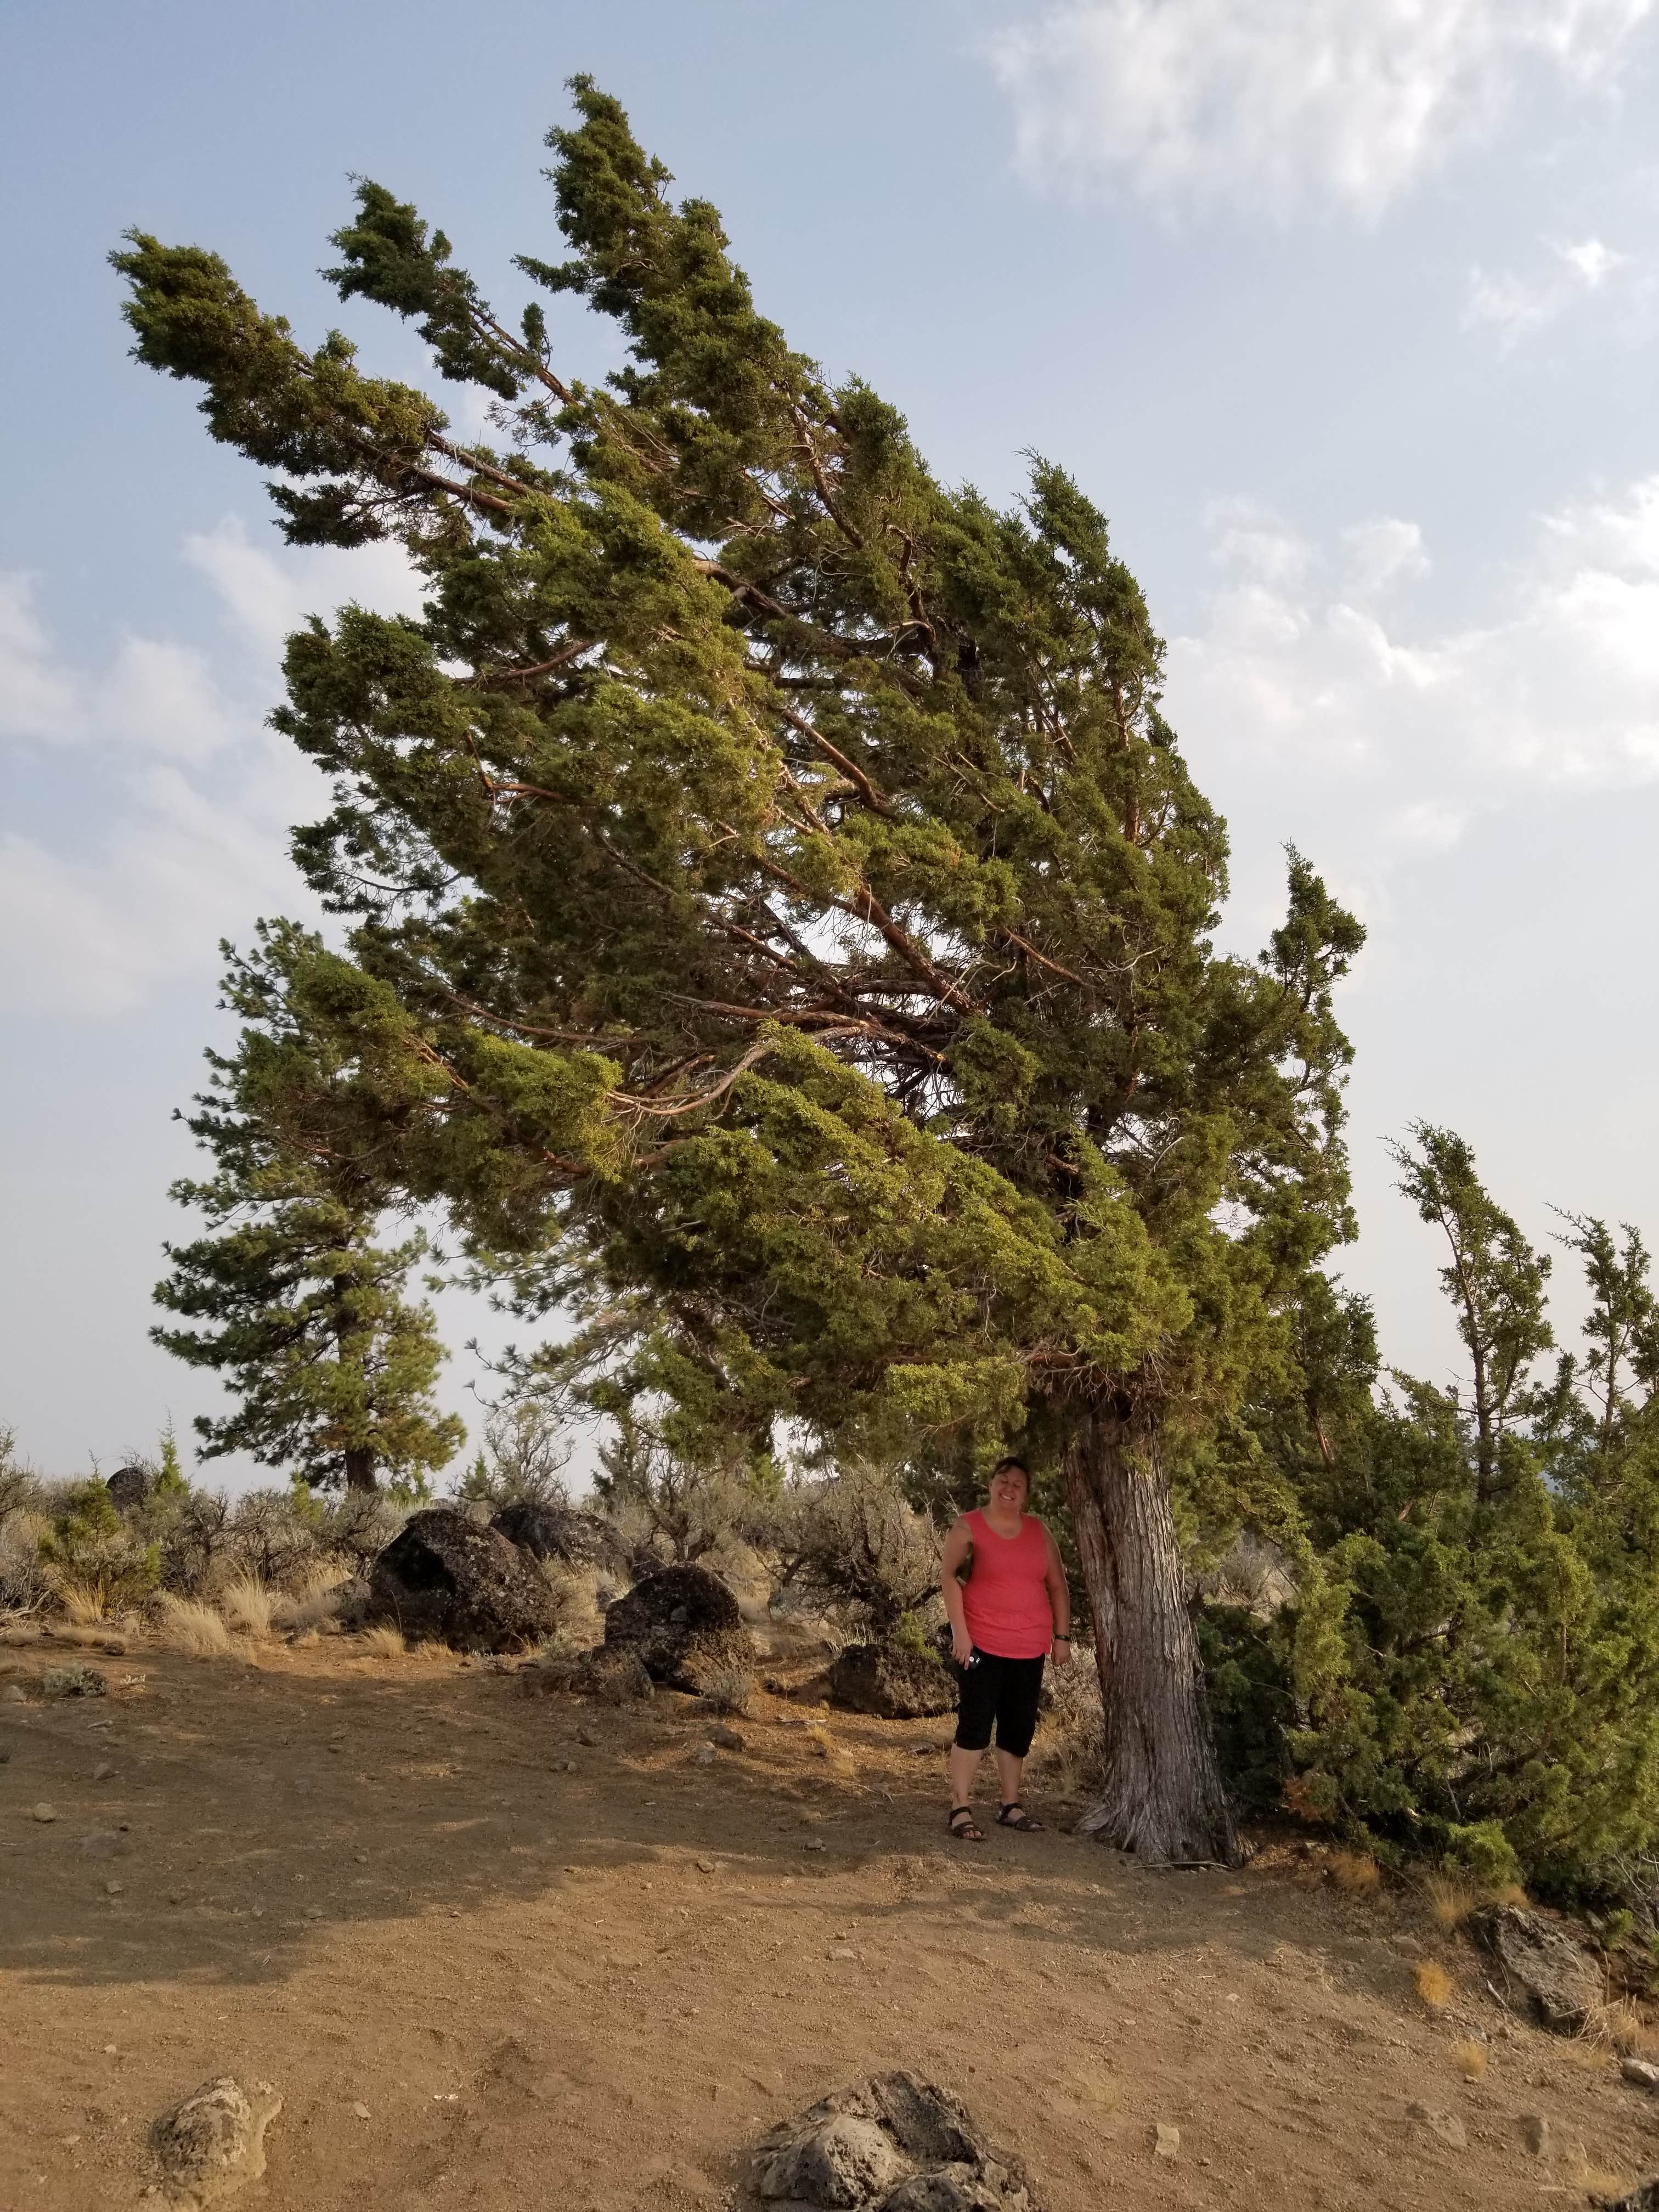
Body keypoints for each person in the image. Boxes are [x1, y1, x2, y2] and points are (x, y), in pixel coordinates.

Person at [939, 1456, 1072, 1841]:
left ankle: (1010, 1806)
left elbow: (1058, 1586)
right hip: (981, 1643)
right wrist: (960, 1635)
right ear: (991, 1484)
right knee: (975, 1725)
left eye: (1018, 1484)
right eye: (1003, 1481)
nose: (1009, 1489)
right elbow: (949, 1577)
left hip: (1029, 1647)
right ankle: (960, 1807)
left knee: (1018, 1729)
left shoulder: (1039, 1531)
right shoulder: (969, 1526)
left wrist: (1061, 1638)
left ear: (1026, 1494)